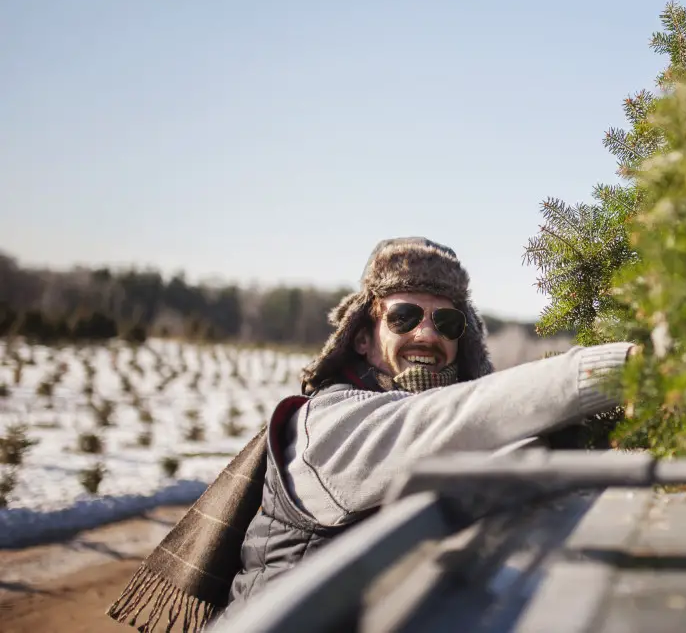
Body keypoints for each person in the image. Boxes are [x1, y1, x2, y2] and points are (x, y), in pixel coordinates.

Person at [106, 237, 634, 632]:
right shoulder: (329, 423)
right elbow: (449, 421)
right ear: (361, 337)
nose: (427, 335)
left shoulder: (431, 421)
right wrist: (620, 368)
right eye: (404, 317)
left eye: (448, 323)